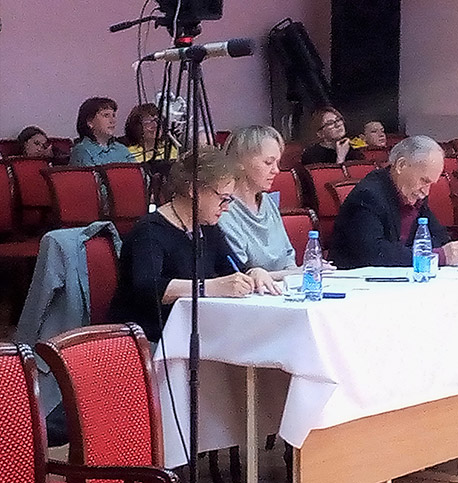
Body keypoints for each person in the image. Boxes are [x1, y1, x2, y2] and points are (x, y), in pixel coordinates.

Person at [111, 147, 278, 342]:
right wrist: (208, 287)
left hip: (197, 332)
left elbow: (231, 268)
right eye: (223, 199)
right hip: (149, 340)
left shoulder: (207, 227)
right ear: (194, 190)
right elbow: (149, 288)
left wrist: (253, 273)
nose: (226, 208)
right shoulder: (149, 231)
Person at [329, 135, 458, 269]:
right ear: (401, 166)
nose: (426, 192)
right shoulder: (368, 195)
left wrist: (441, 250)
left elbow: (440, 237)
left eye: (431, 184)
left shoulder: (414, 193)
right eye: (424, 181)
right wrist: (436, 256)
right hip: (355, 279)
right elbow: (375, 253)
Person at [219, 126, 298, 280]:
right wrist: (298, 273)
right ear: (240, 162)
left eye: (277, 163)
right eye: (268, 162)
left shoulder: (268, 201)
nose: (276, 170)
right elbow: (241, 275)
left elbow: (288, 256)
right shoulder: (223, 210)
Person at [70, 97, 134, 166]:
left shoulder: (121, 148)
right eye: (106, 115)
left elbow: (136, 171)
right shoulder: (82, 151)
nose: (112, 120)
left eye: (113, 115)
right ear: (90, 122)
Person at [300, 107, 364, 165]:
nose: (338, 125)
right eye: (330, 123)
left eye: (338, 119)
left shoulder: (354, 146)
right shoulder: (312, 154)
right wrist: (340, 157)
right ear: (320, 133)